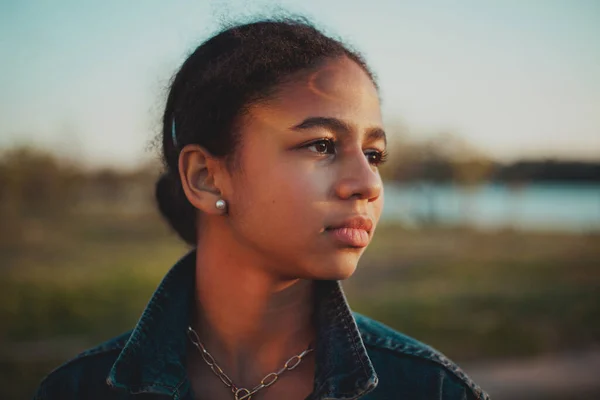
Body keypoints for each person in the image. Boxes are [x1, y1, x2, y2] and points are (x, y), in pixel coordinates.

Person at [33, 18, 489, 400]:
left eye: (374, 154)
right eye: (321, 145)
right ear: (206, 177)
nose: (367, 184)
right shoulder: (78, 390)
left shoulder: (430, 389)